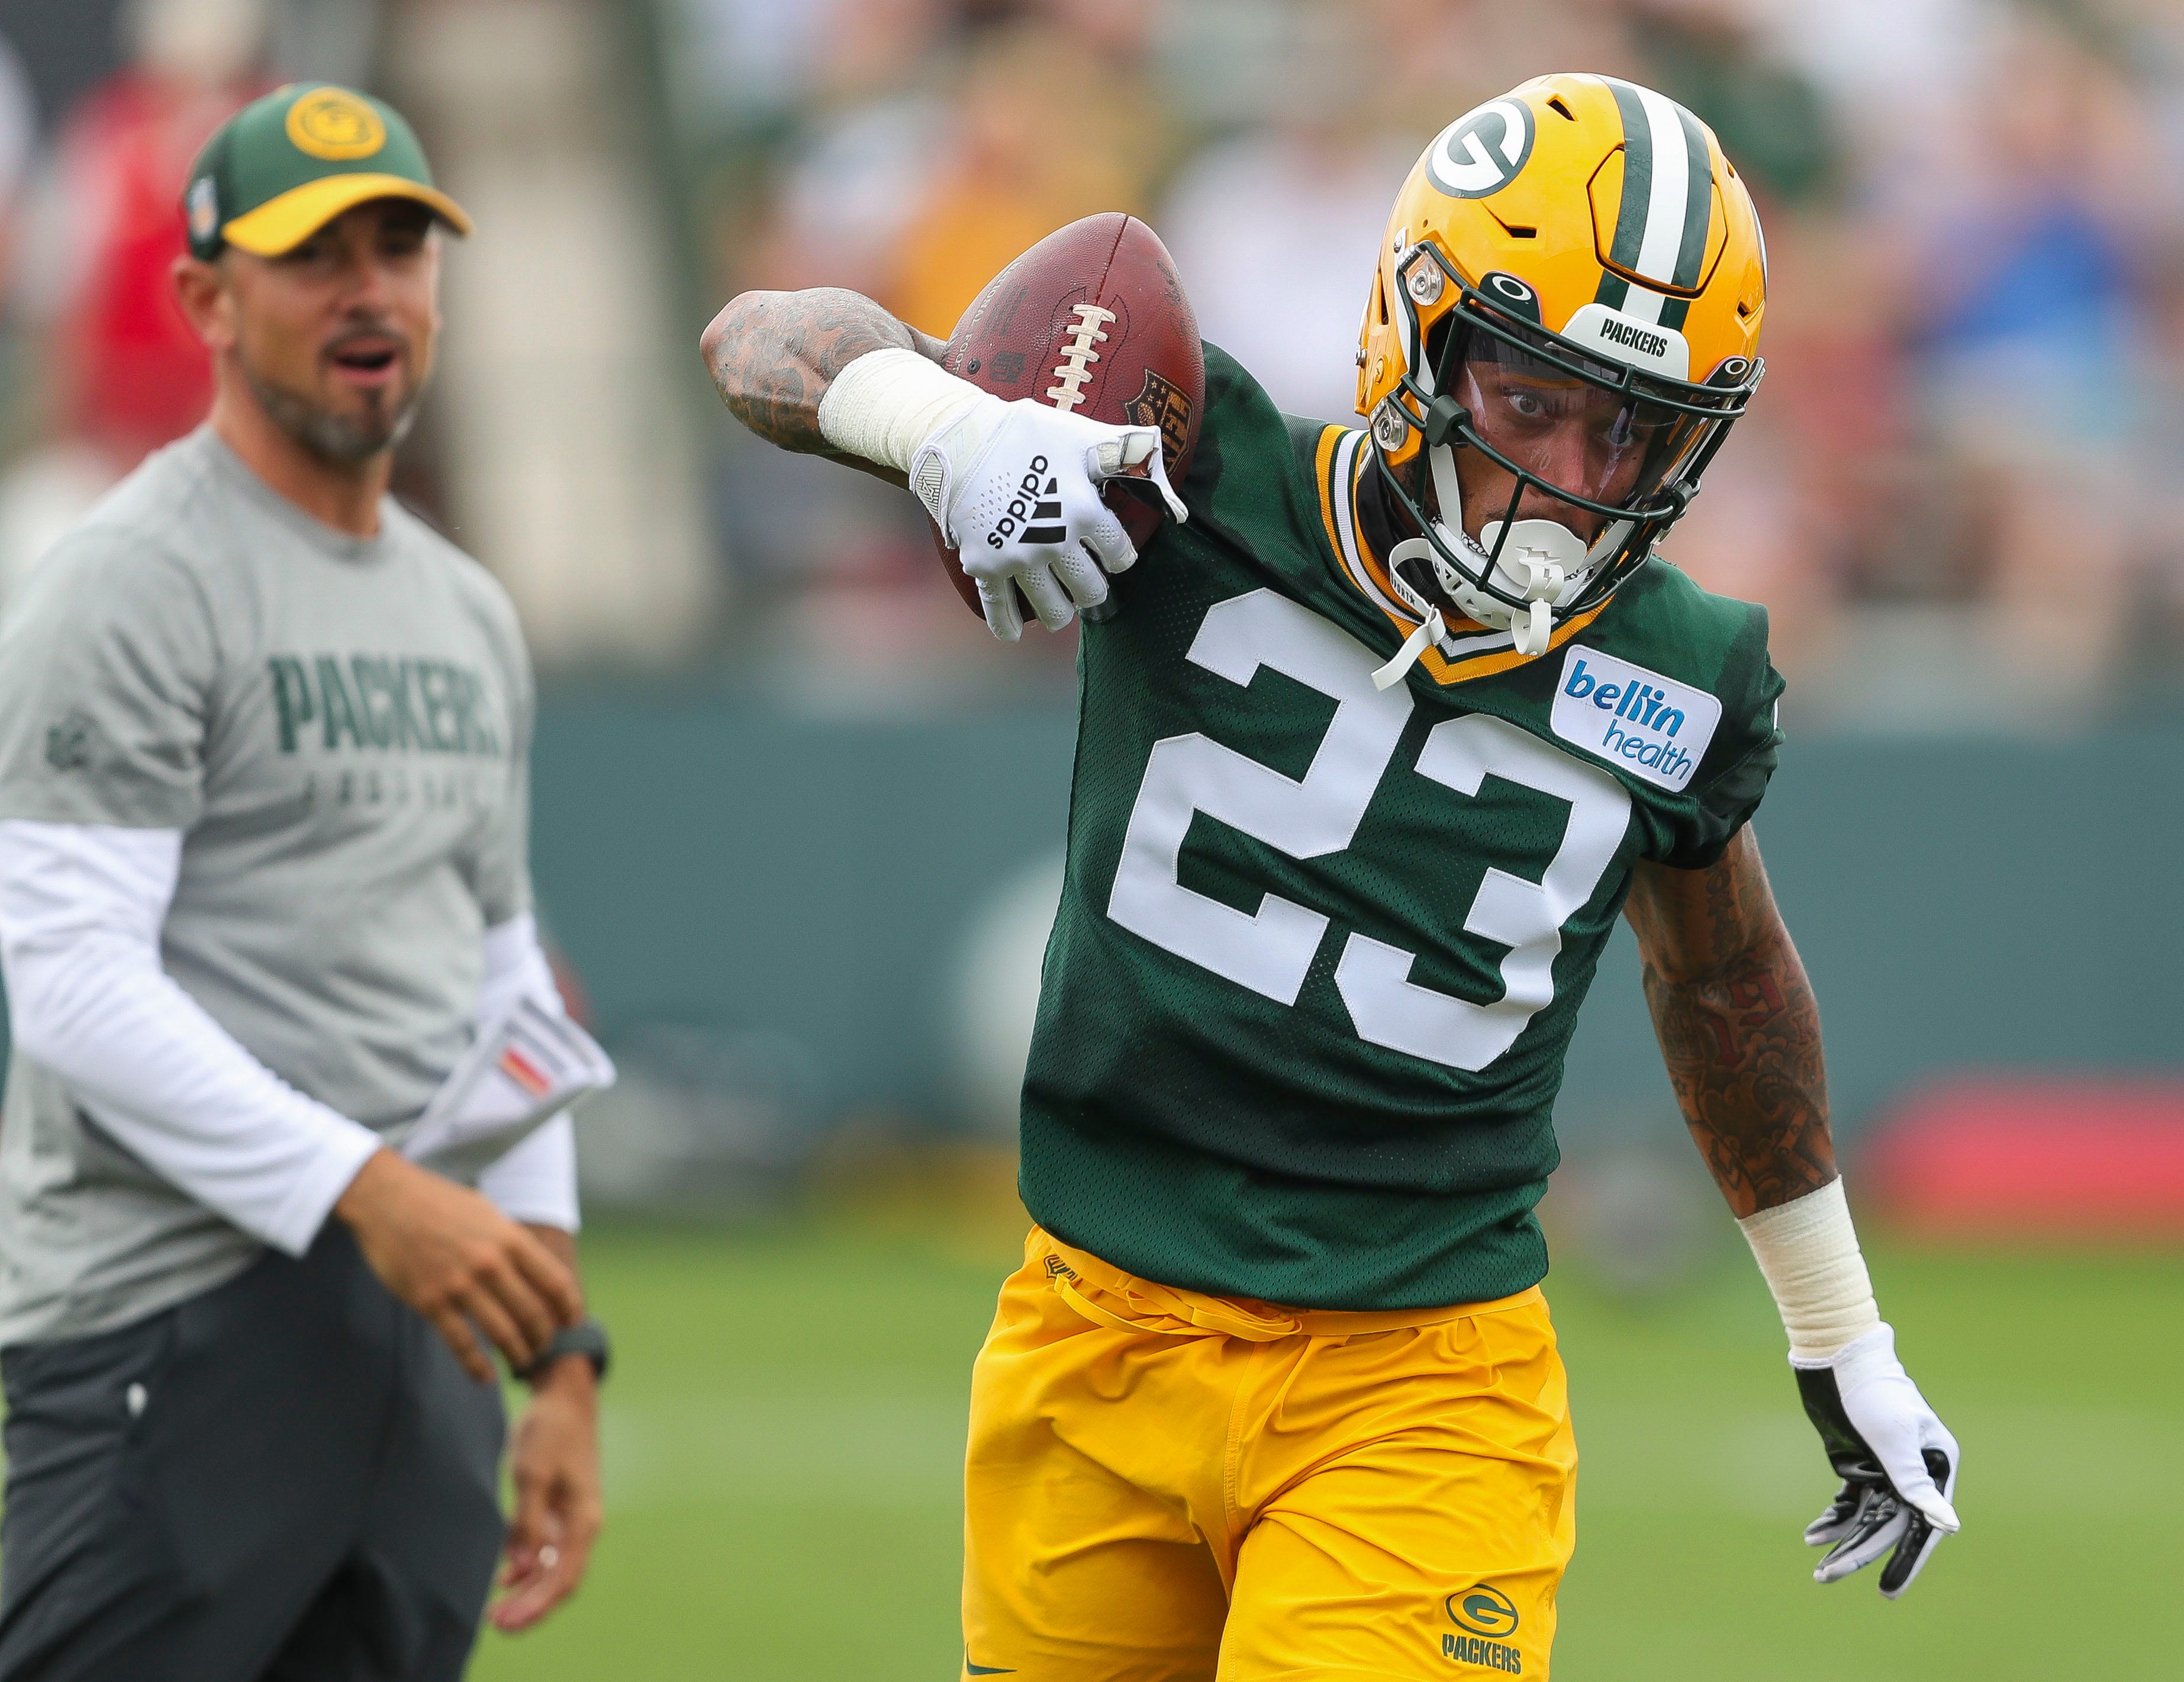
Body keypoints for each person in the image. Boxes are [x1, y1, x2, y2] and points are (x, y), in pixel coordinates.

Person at [703, 72, 1961, 1680]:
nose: (1568, 476)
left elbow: (1722, 973)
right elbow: (757, 335)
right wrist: (947, 427)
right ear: (1411, 337)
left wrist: (1836, 1324)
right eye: (1528, 401)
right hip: (1095, 1327)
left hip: (1422, 1379)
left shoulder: (1683, 673)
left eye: (1630, 427)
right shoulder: (1194, 469)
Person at [0, 82, 608, 1681]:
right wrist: (368, 1185)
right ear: (205, 298)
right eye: (312, 254)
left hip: (415, 1342)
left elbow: (505, 982)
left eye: (399, 245)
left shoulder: (466, 609)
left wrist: (561, 1356)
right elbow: (67, 979)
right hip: (171, 1325)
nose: (369, 290)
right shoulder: (133, 581)